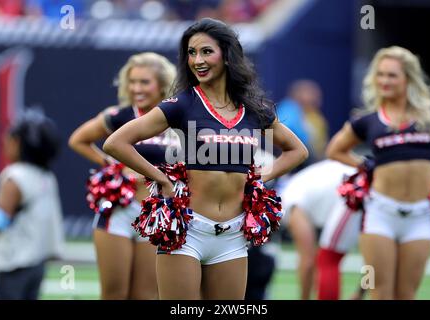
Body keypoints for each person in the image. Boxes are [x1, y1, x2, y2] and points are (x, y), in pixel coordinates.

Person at [103, 17, 308, 300]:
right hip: (187, 230)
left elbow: (297, 151)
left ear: (227, 55)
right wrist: (160, 177)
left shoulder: (253, 109)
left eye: (206, 51)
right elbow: (116, 142)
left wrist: (261, 177)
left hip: (233, 235)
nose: (197, 60)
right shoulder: (183, 104)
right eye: (191, 52)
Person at [326, 46, 430, 300]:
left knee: (406, 294)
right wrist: (363, 164)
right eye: (380, 75)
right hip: (381, 214)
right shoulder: (368, 119)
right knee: (381, 293)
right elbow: (335, 150)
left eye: (392, 75)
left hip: (420, 216)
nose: (384, 81)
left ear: (408, 78)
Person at [68, 52, 177, 300]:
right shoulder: (119, 116)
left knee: (146, 294)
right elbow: (78, 140)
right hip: (118, 211)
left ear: (161, 84)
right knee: (114, 294)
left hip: (155, 213)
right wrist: (110, 164)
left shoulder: (175, 118)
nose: (136, 88)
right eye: (132, 81)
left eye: (144, 82)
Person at [0, 108, 64, 300]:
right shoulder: (46, 177)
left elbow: (0, 221)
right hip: (36, 261)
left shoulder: (14, 175)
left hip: (13, 261)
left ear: (18, 143)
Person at [280, 159, 361, 300]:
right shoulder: (298, 188)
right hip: (371, 184)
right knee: (378, 256)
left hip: (356, 189)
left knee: (327, 260)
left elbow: (308, 261)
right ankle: (361, 294)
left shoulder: (290, 201)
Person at [291, 80, 329, 161]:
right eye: (308, 93)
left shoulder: (318, 118)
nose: (313, 96)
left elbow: (321, 145)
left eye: (314, 93)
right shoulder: (290, 112)